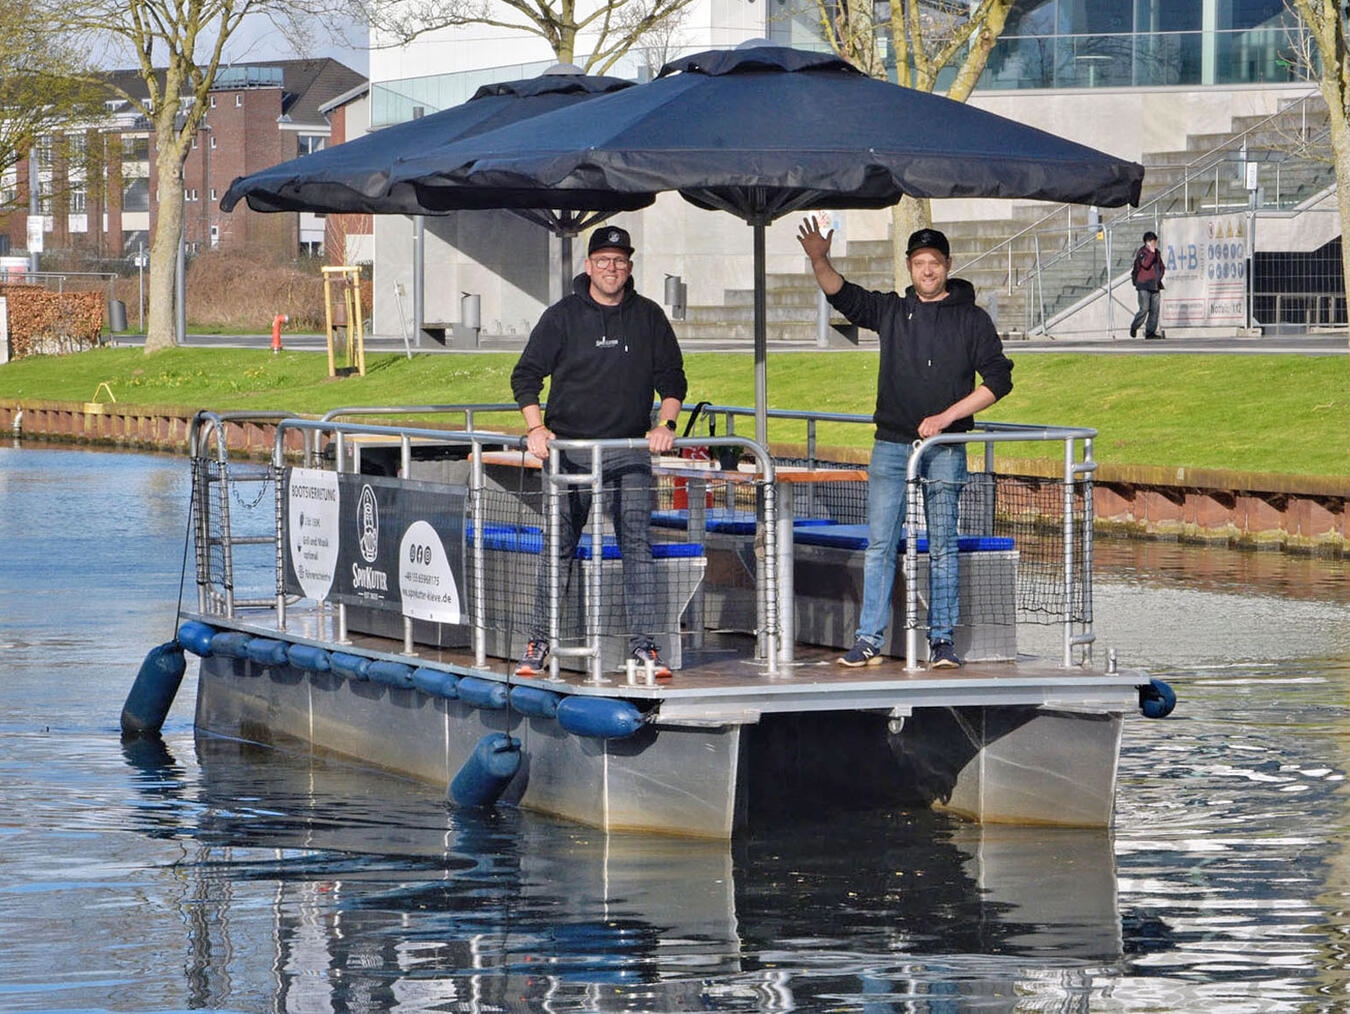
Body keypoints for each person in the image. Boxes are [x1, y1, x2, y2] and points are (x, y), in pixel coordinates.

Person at [797, 220, 1014, 669]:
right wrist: (819, 258)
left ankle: (942, 641)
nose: (927, 270)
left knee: (943, 545)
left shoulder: (972, 319)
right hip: (891, 445)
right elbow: (842, 294)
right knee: (880, 544)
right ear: (909, 267)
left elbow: (999, 380)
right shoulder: (891, 311)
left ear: (947, 265)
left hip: (945, 448)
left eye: (934, 263)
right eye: (919, 263)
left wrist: (946, 418)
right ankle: (869, 638)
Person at [510, 224, 688, 678]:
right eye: (604, 261)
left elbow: (673, 378)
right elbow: (525, 375)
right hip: (569, 453)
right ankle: (539, 641)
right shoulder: (562, 316)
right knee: (558, 547)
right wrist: (536, 429)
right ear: (589, 266)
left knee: (636, 546)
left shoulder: (648, 316)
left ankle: (644, 646)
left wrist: (666, 424)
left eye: (620, 261)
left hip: (628, 450)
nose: (612, 269)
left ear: (629, 267)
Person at [1129, 230, 1166, 339]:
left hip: (1155, 285)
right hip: (1144, 285)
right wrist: (1151, 253)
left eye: (1155, 242)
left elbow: (1161, 266)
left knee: (1155, 310)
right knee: (1144, 308)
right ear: (1147, 242)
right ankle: (1135, 326)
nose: (1154, 244)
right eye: (1152, 242)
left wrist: (1159, 276)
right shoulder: (1142, 252)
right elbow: (1145, 264)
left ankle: (1150, 332)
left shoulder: (1157, 253)